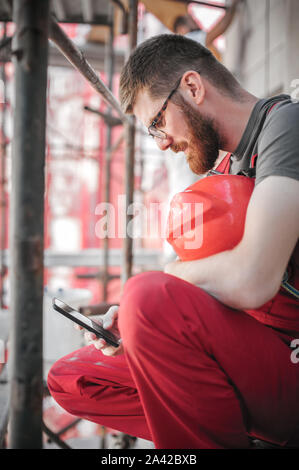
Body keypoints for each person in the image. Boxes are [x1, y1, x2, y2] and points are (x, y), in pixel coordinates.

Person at [48, 34, 299, 449]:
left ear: (193, 87)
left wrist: (159, 291)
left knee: (148, 296)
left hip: (288, 355)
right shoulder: (227, 170)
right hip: (257, 351)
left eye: (157, 122)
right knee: (73, 378)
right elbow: (213, 287)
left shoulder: (286, 127)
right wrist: (138, 324)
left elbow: (254, 278)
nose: (162, 142)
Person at [173, 0, 241, 61]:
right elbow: (221, 28)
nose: (195, 21)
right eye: (191, 20)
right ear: (181, 29)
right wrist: (233, 4)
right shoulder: (189, 39)